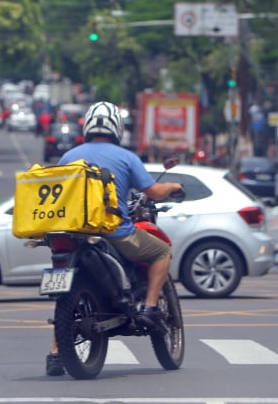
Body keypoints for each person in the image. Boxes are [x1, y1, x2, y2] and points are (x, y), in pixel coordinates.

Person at [45, 101, 183, 376]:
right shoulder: (125, 157)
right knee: (161, 253)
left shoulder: (68, 156)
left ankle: (56, 353)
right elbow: (154, 192)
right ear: (117, 128)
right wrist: (175, 186)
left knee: (65, 292)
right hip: (113, 232)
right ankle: (150, 308)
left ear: (87, 126)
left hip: (72, 234)